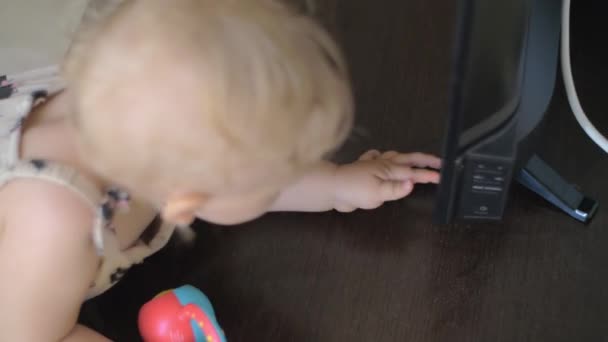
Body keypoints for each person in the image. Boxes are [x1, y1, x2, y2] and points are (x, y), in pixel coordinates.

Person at [0, 0, 441, 340]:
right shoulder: (54, 226)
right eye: (276, 180)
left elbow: (232, 170)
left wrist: (336, 186)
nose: (291, 175)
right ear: (185, 202)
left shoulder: (138, 113)